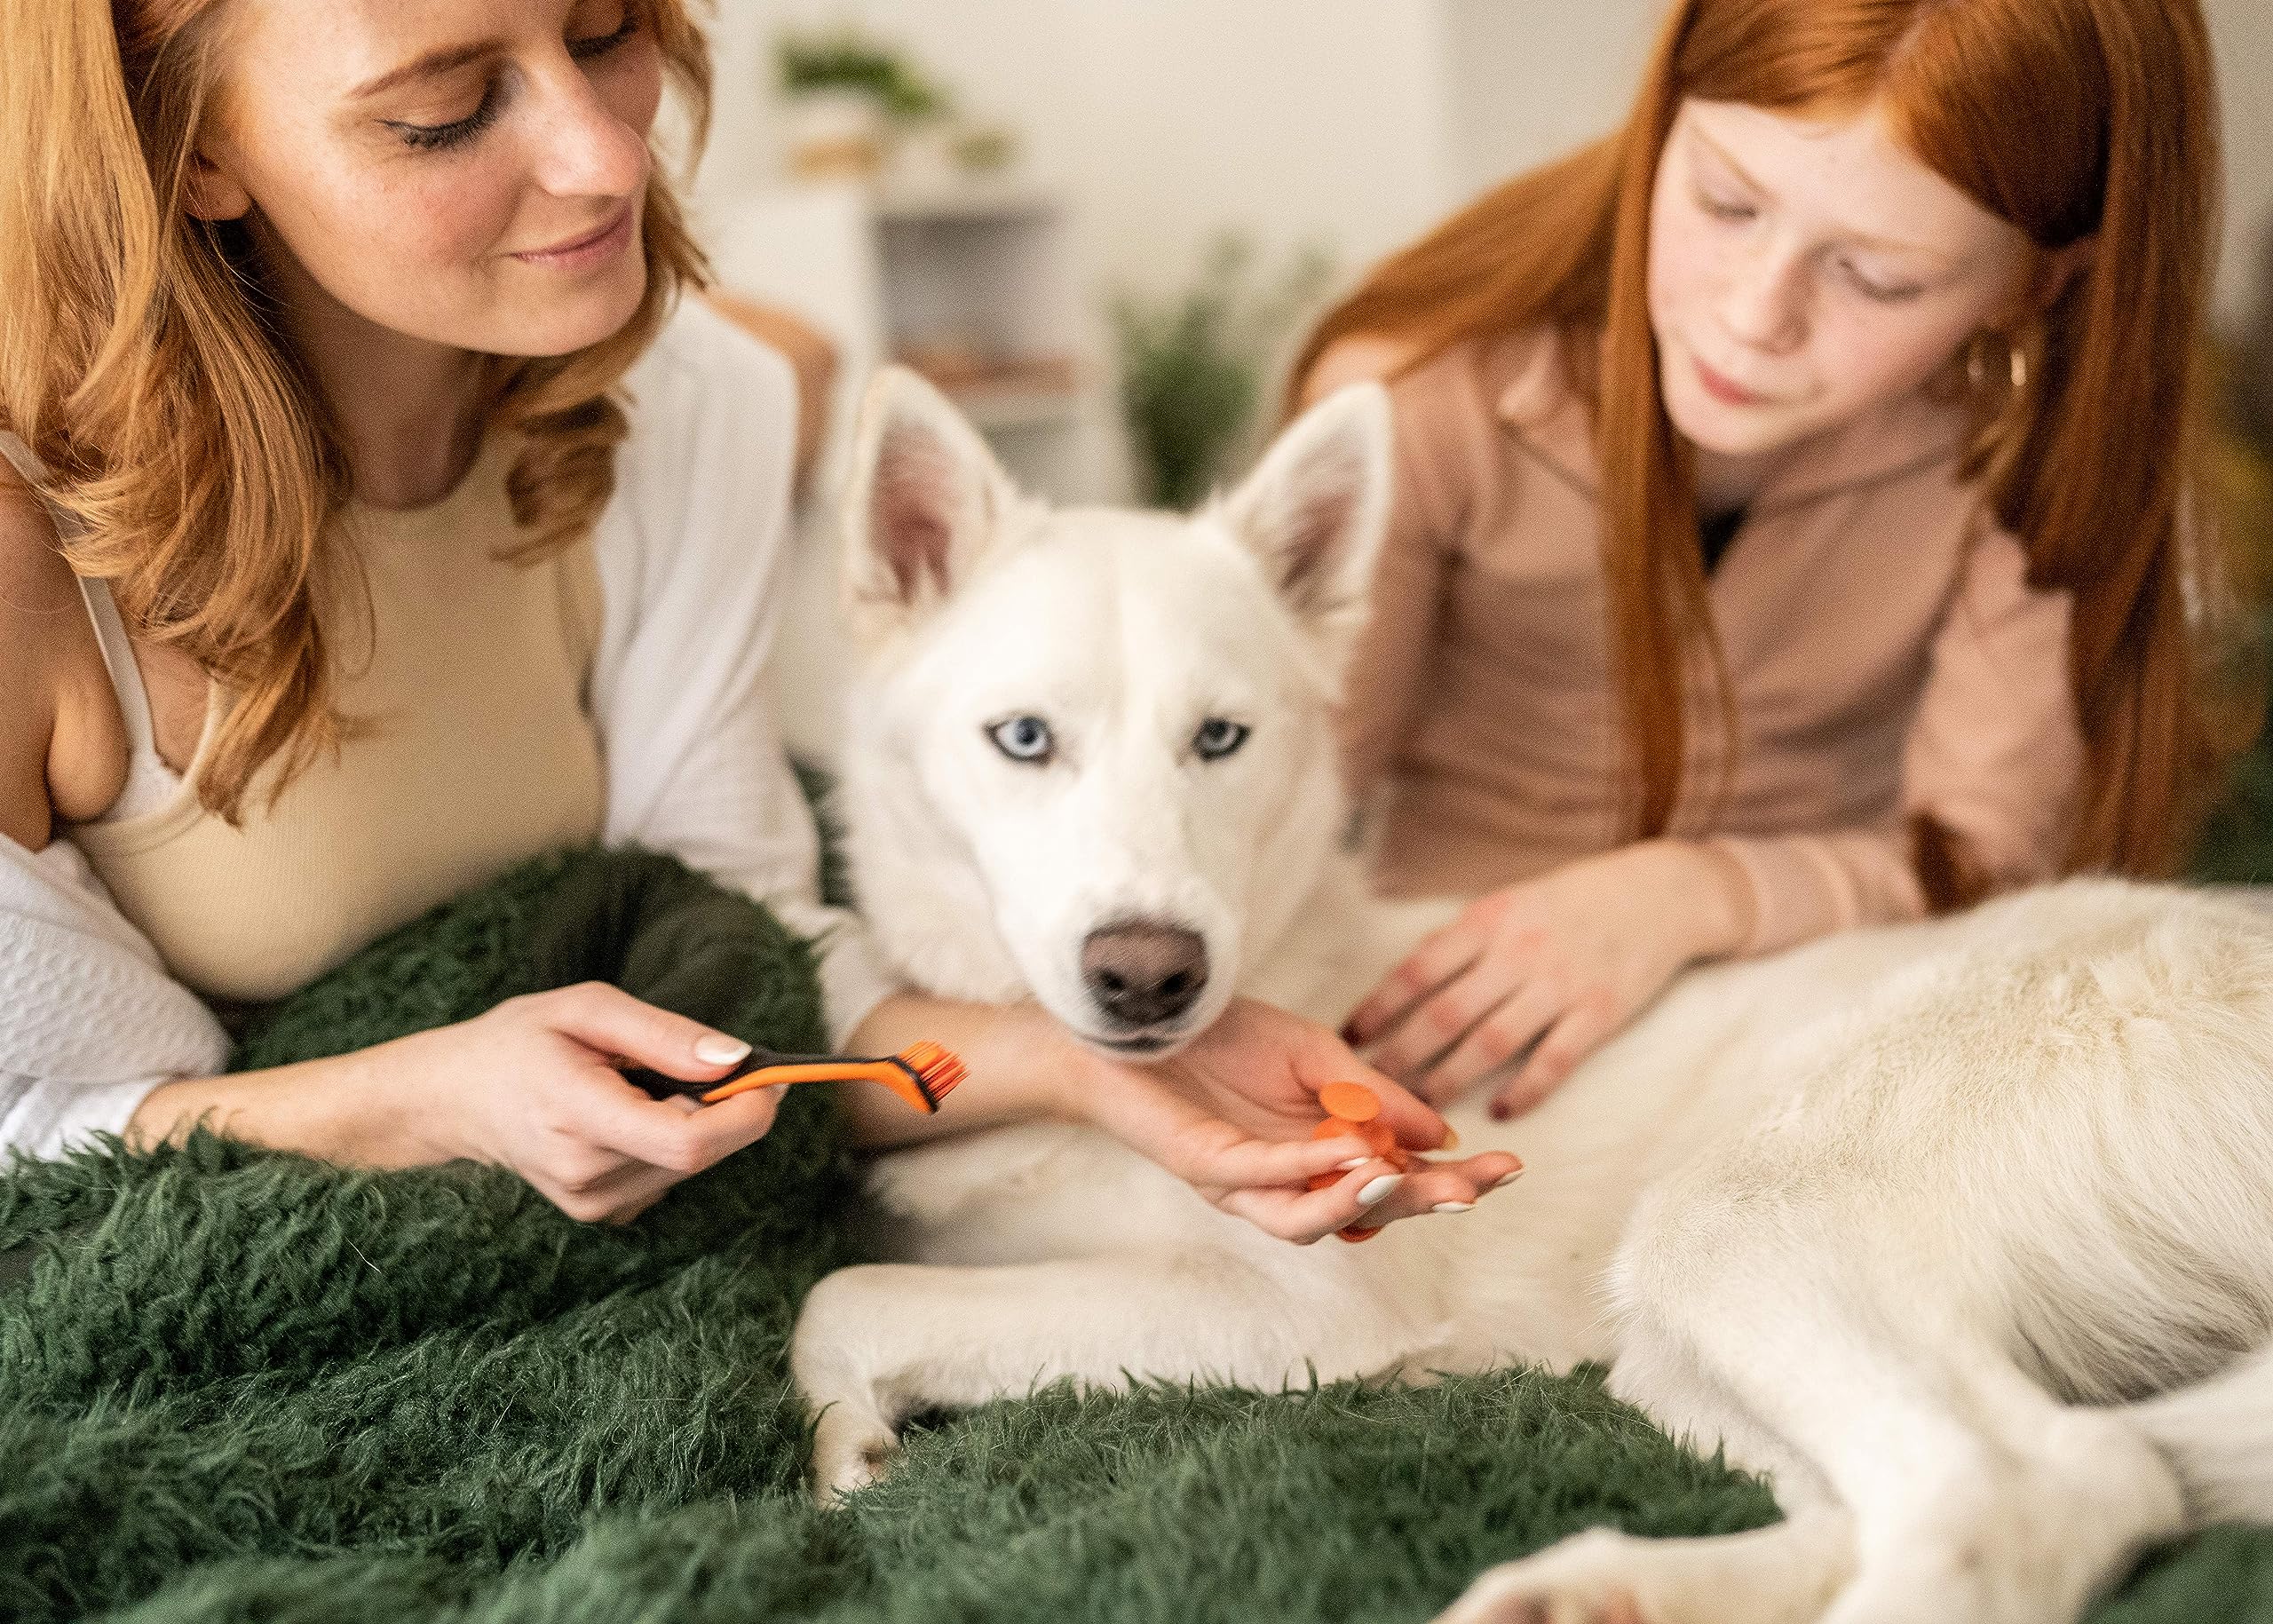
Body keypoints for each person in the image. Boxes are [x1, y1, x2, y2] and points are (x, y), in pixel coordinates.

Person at [0, 0, 1519, 1237]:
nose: (606, 161)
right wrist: (415, 1098)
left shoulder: (692, 403)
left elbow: (743, 961)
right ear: (191, 147)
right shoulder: (25, 560)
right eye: (446, 108)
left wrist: (1112, 1072)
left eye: (605, 31)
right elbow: (36, 1140)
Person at [1297, 0, 2244, 1121]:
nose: (1753, 318)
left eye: (1879, 280)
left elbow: (1991, 860)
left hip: (1834, 1019)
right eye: (1725, 202)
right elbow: (1275, 803)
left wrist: (1698, 894)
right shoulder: (1417, 387)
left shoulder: (2034, 445)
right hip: (1444, 1026)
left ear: (2039, 283)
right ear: (1661, 119)